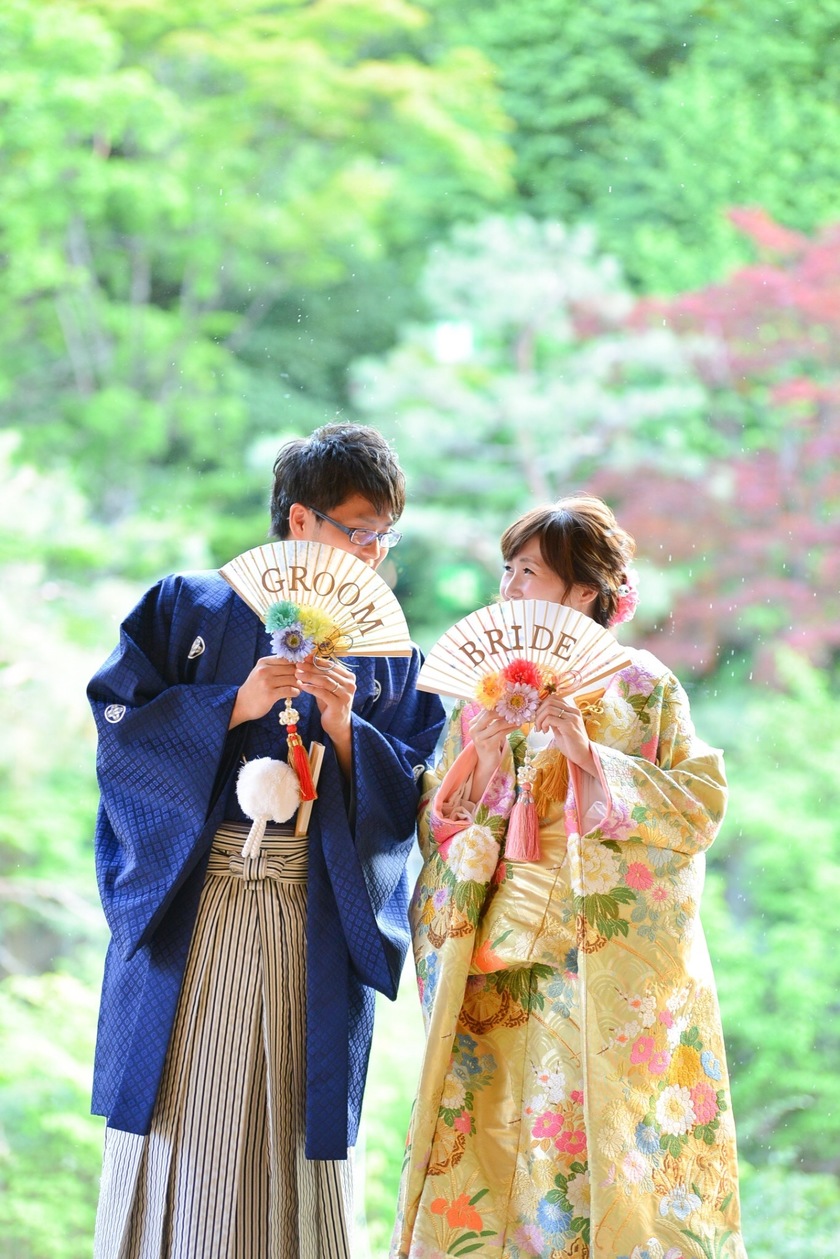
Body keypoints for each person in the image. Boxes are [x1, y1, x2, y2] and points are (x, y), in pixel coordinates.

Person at [88, 423, 446, 1258]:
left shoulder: (392, 656)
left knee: (294, 1119)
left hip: (312, 916)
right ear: (299, 519)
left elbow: (413, 794)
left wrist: (347, 730)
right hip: (197, 905)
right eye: (358, 531)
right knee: (182, 1111)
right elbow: (120, 729)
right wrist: (232, 706)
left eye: (384, 537)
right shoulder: (185, 608)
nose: (373, 554)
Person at [392, 495, 747, 1259]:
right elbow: (440, 823)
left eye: (529, 571)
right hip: (498, 958)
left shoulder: (643, 686)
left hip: (596, 964)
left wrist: (591, 756)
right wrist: (484, 756)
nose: (510, 587)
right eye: (508, 570)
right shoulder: (490, 689)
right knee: (493, 1135)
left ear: (585, 590)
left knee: (595, 1142)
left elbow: (695, 808)